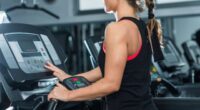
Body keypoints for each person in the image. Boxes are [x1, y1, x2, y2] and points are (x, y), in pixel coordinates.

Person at [45, 0, 163, 110]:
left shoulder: (117, 29)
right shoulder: (141, 26)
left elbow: (111, 84)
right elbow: (108, 70)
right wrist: (68, 78)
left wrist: (67, 95)